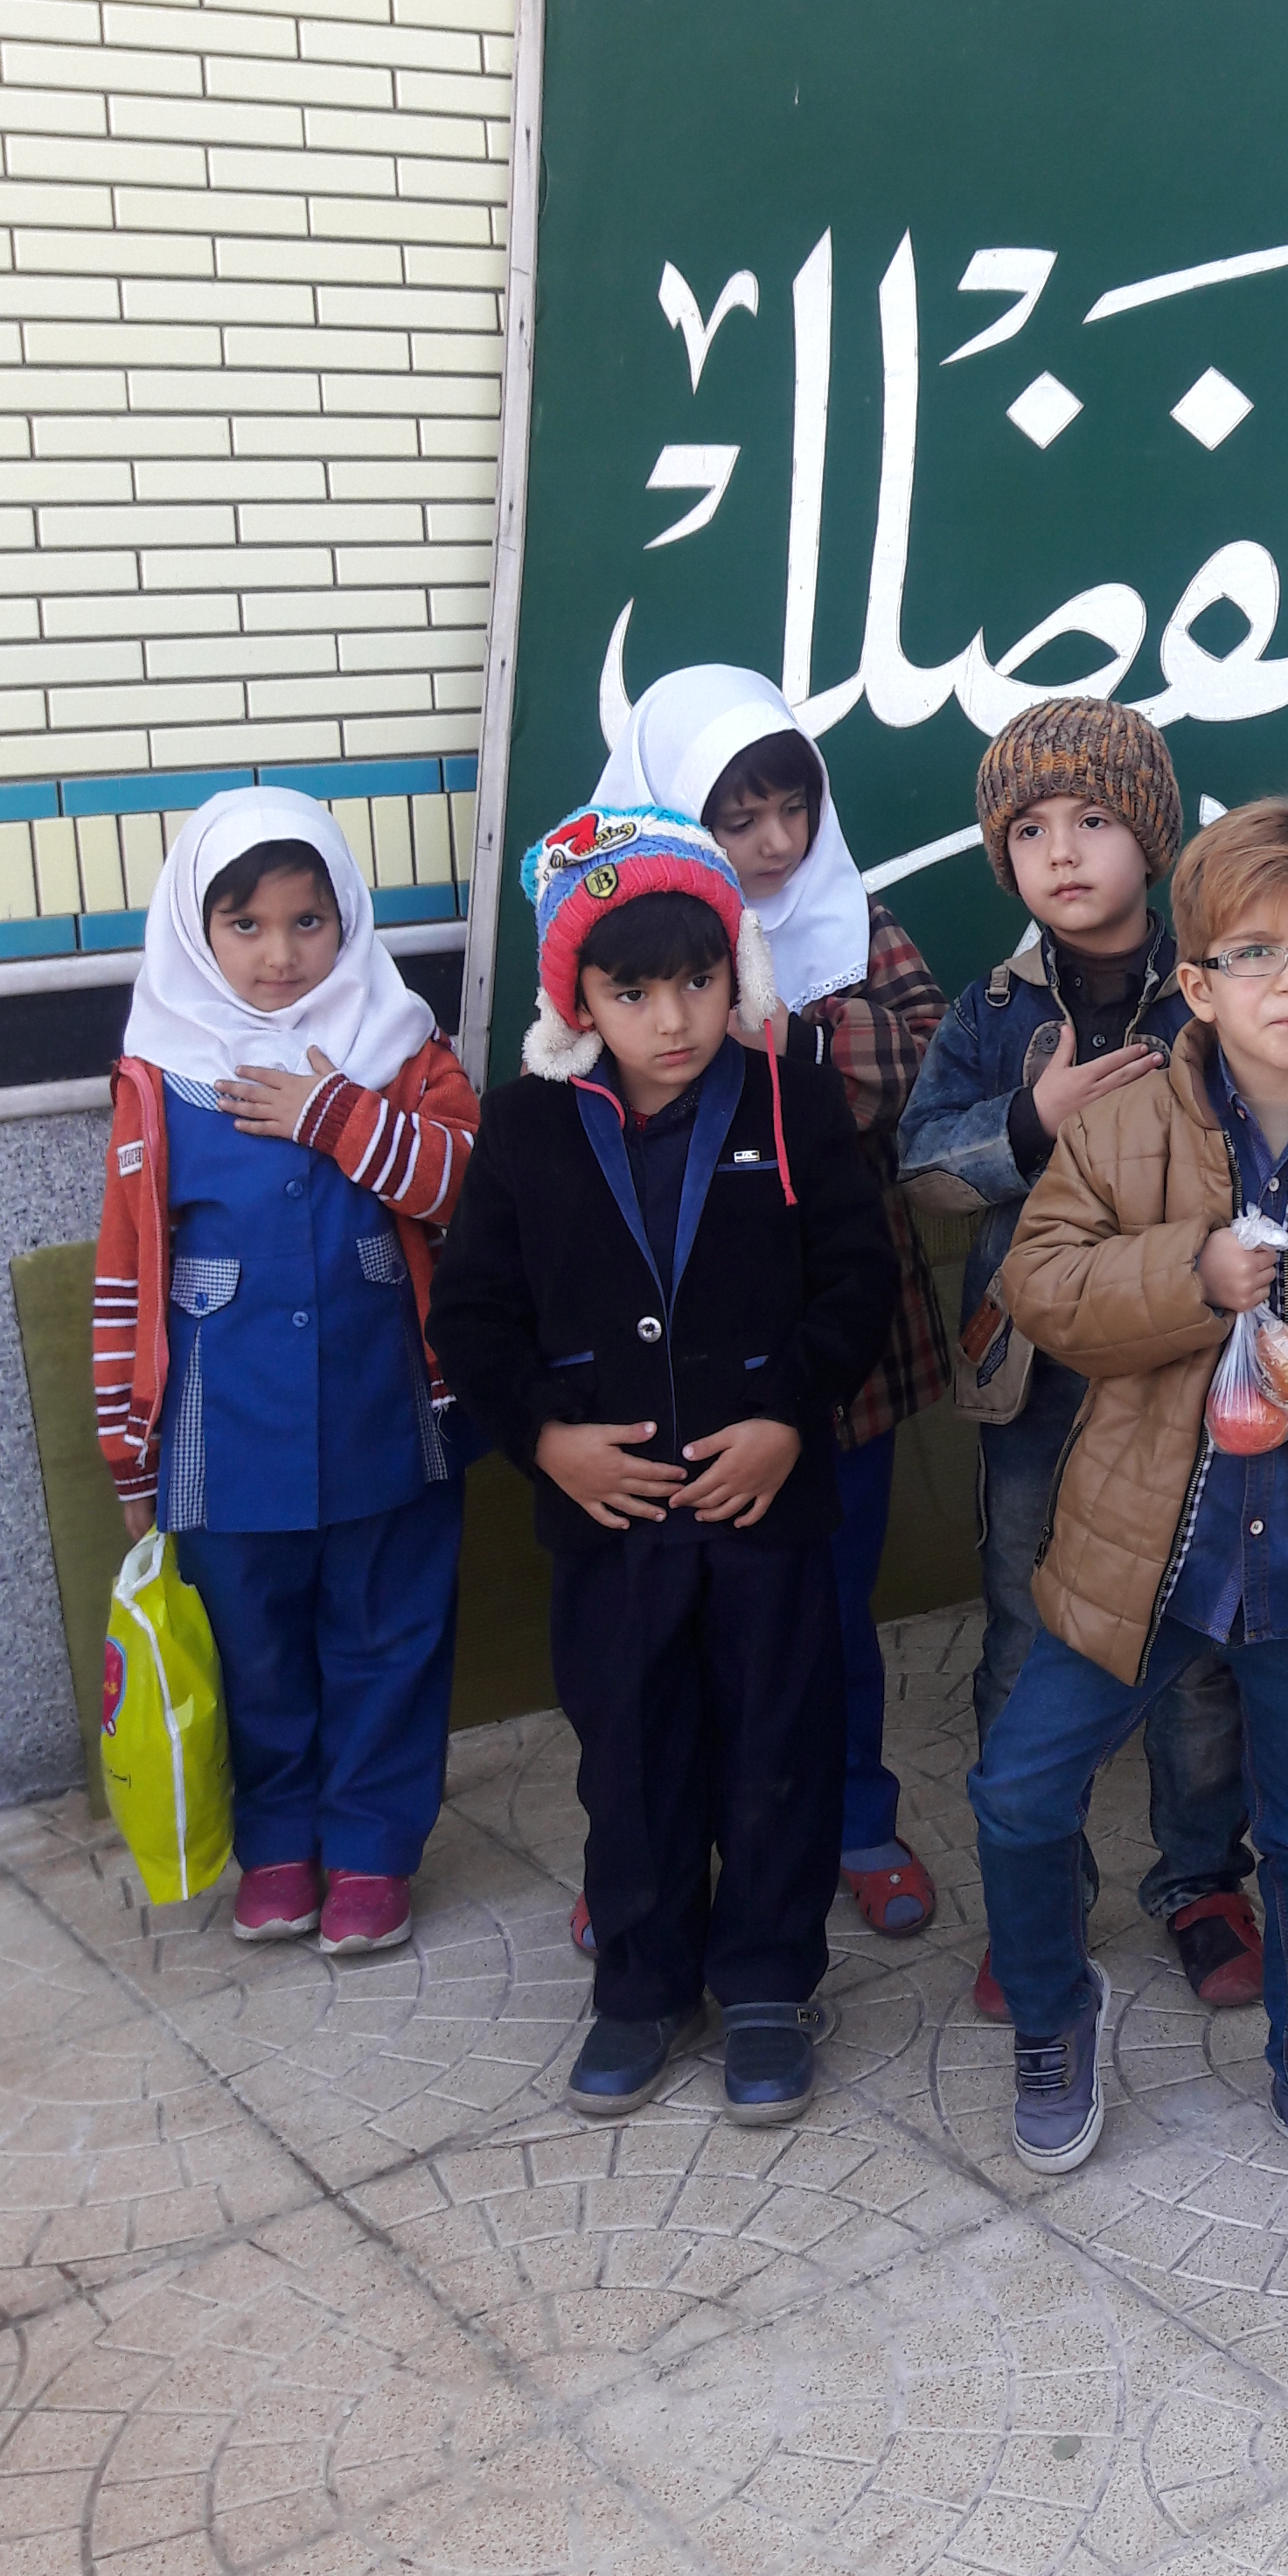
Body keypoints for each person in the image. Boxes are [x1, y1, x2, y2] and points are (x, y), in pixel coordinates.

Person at [972, 795, 1288, 2202]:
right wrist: (1191, 1275)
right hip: (1144, 1557)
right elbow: (1039, 1284)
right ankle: (1054, 2018)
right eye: (1254, 954)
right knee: (1018, 1794)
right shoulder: (1125, 1129)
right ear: (1198, 982)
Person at [428, 807, 896, 2126]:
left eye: (697, 981)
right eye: (632, 993)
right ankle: (641, 1985)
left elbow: (858, 1278)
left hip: (765, 1512)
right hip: (613, 1523)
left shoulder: (794, 1099)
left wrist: (792, 1414)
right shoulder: (525, 1127)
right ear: (577, 997)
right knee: (630, 1759)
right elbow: (472, 1315)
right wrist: (546, 1441)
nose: (674, 1019)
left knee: (777, 1751)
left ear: (735, 970)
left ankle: (767, 1983)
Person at [896, 700, 1259, 2023]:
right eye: (1030, 829)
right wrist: (1029, 1117)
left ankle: (1203, 1882)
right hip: (1037, 1385)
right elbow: (924, 1171)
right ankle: (1035, 1901)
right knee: (1027, 1632)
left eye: (1094, 819)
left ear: (1150, 837)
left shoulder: (1220, 984)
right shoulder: (992, 1013)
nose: (1061, 851)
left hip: (1191, 1374)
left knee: (1198, 1641)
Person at [592, 666, 951, 1939]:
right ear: (669, 813)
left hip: (838, 1355)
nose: (778, 842)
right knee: (672, 1621)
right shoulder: (615, 940)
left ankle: (853, 1814)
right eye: (737, 818)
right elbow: (584, 1094)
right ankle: (663, 1846)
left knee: (828, 1606)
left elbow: (929, 1059)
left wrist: (783, 1036)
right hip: (669, 1361)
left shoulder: (858, 920)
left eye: (794, 807)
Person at [92, 790, 481, 1955]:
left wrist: (339, 1117)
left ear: (347, 917)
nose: (280, 954)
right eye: (246, 925)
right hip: (224, 1443)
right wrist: (128, 1450)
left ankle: (370, 1851)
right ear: (195, 929)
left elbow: (469, 1188)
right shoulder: (158, 1077)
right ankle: (277, 1845)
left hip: (388, 1417)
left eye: (308, 921)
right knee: (251, 1647)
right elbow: (125, 1273)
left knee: (389, 1635)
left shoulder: (401, 1049)